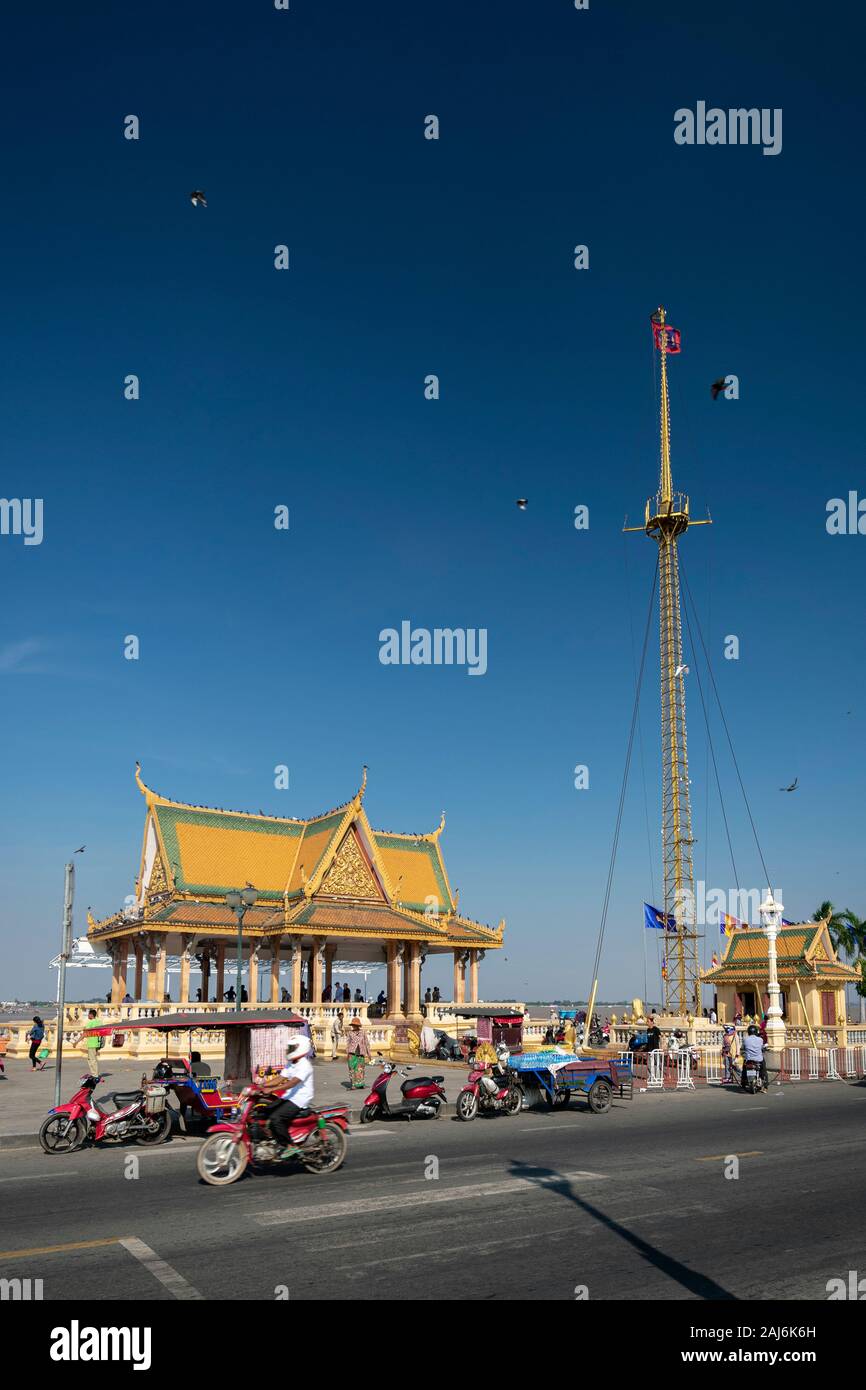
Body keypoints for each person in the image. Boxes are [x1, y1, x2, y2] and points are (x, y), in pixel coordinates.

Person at [259, 1036, 315, 1158]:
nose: (289, 1050)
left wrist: (271, 1089)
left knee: (276, 1118)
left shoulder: (305, 1065)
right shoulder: (291, 1063)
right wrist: (260, 1085)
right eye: (289, 1048)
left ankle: (291, 1146)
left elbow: (292, 1083)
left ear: (301, 1048)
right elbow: (280, 1078)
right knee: (263, 1112)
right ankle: (272, 1139)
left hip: (300, 1100)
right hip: (289, 1096)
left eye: (292, 1048)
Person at [346, 1017, 371, 1088]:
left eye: (356, 1025)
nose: (354, 1026)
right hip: (352, 1053)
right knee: (352, 1069)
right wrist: (347, 1052)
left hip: (361, 1053)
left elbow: (366, 1043)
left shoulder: (363, 1032)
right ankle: (353, 1085)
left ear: (358, 1026)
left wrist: (369, 1053)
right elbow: (348, 1043)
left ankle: (361, 1084)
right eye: (353, 1025)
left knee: (360, 1069)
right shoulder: (350, 1033)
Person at [741, 1024, 767, 1089]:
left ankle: (743, 1082)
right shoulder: (760, 1039)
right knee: (763, 1070)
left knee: (744, 1069)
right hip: (758, 1059)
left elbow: (743, 1048)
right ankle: (766, 1085)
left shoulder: (745, 1039)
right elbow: (762, 1047)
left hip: (748, 1059)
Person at [82, 1008, 104, 1077]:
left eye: (88, 1014)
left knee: (92, 1060)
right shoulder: (99, 1021)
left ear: (91, 1015)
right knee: (92, 1059)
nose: (88, 1015)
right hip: (97, 1042)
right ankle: (94, 1073)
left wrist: (76, 1042)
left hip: (92, 1043)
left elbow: (85, 1030)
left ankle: (95, 1074)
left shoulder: (91, 1022)